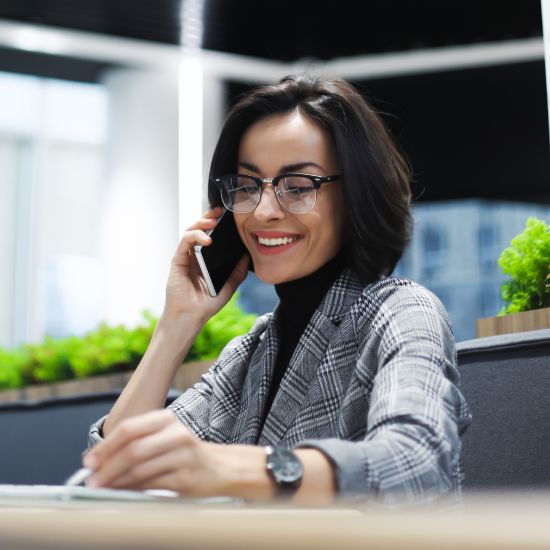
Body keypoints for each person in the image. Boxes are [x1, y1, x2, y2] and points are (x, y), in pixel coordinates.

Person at [85, 75, 471, 505]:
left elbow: (415, 465)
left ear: (357, 194)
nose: (264, 211)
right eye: (248, 186)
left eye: (298, 186)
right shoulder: (250, 355)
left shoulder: (403, 312)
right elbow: (112, 481)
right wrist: (177, 323)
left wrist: (228, 469)